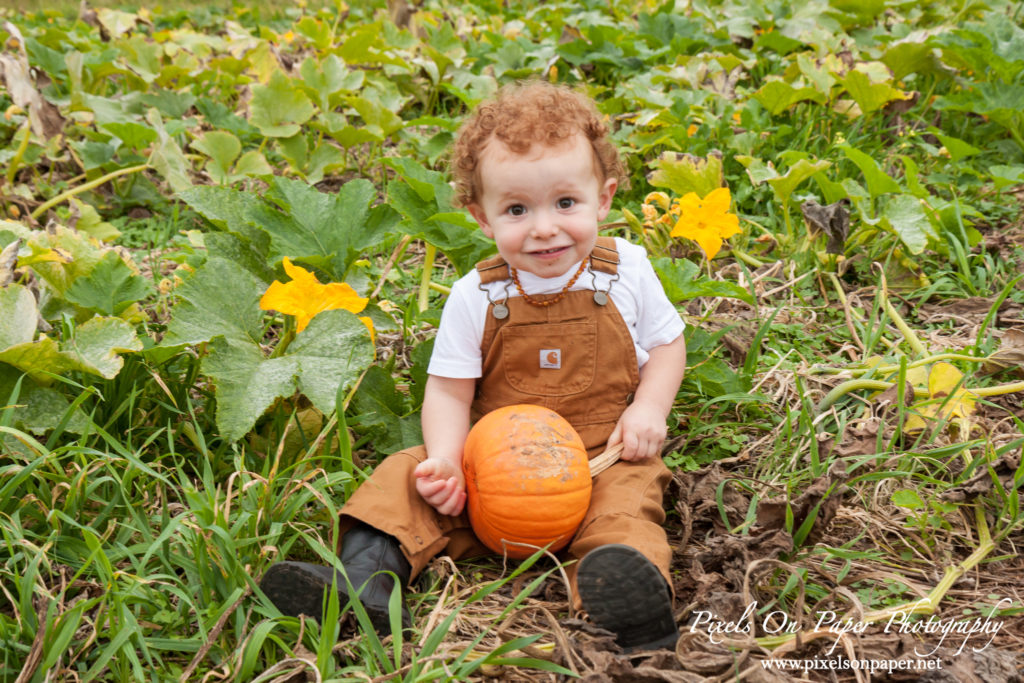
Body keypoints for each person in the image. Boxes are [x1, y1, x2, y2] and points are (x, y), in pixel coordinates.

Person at [260, 79, 688, 652]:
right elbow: (448, 391)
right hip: (493, 478)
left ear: (603, 198)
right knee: (403, 477)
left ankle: (623, 601)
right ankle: (366, 582)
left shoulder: (627, 270)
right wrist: (445, 461)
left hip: (601, 458)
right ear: (482, 218)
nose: (543, 227)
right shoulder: (476, 295)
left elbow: (666, 345)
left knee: (630, 504)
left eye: (566, 203)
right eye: (516, 209)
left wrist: (649, 408)